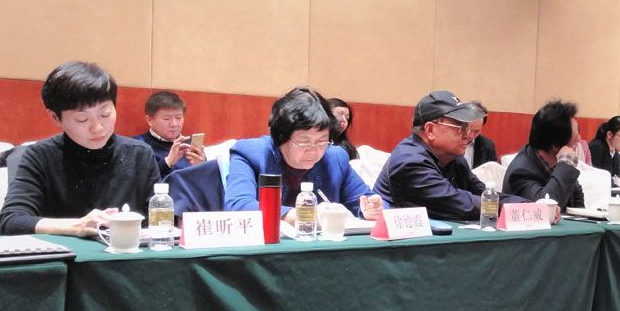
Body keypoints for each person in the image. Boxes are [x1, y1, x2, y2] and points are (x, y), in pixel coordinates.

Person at [0, 61, 160, 237]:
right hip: (63, 254)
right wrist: (76, 226)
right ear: (55, 117)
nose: (98, 128)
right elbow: (11, 221)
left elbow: (160, 223)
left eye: (105, 114)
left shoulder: (140, 155)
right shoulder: (40, 156)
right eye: (82, 119)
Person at [225, 87, 383, 222]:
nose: (314, 150)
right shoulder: (252, 154)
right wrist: (305, 216)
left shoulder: (335, 158)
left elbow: (370, 201)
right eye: (304, 142)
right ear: (280, 137)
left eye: (322, 141)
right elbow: (238, 206)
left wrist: (371, 210)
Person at [374, 90, 525, 221]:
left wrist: (527, 206)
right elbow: (459, 204)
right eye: (460, 128)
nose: (468, 136)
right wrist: (517, 211)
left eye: (468, 128)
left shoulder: (452, 157)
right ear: (430, 130)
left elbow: (483, 193)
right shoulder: (410, 161)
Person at [502, 100, 584, 211]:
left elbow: (577, 196)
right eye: (575, 137)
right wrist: (566, 164)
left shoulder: (557, 164)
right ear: (555, 144)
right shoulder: (520, 172)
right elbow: (544, 209)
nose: (579, 140)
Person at [135, 90, 206, 178]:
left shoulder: (190, 145)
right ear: (149, 120)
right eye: (167, 119)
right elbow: (138, 181)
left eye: (178, 118)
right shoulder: (138, 146)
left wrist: (203, 167)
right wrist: (168, 162)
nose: (174, 124)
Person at [588, 116, 620, 185]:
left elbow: (617, 178)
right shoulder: (596, 148)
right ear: (609, 134)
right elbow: (595, 178)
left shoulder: (616, 154)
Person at [465, 101, 498, 168]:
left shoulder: (487, 146)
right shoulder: (450, 142)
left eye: (477, 131)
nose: (471, 135)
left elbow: (491, 171)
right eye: (468, 130)